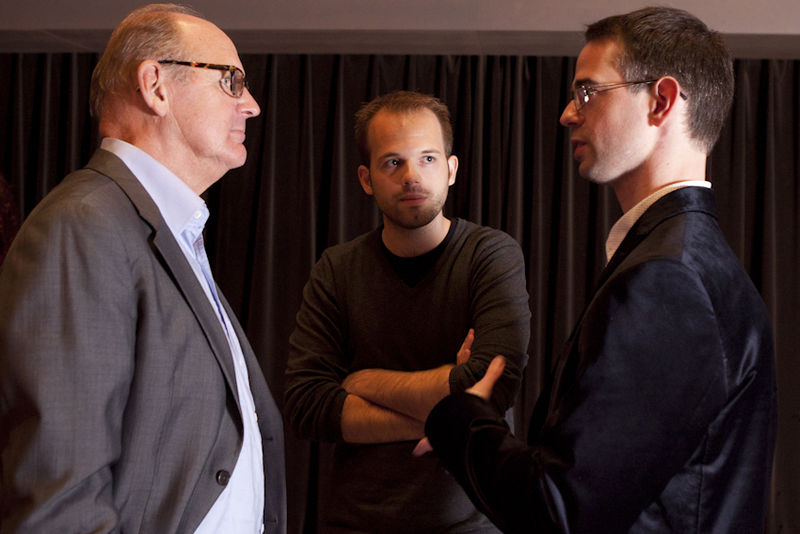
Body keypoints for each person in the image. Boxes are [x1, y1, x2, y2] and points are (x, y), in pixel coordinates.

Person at [420, 7, 777, 533]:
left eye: (588, 91)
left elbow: (560, 512)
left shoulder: (668, 279)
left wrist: (462, 418)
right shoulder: (693, 263)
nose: (568, 112)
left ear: (661, 101)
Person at [0, 4, 286, 533]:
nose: (251, 104)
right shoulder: (83, 225)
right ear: (155, 86)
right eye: (231, 80)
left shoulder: (168, 229)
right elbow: (59, 498)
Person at [285, 90, 531, 532]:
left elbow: (492, 386)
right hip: (355, 524)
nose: (412, 176)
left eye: (428, 159)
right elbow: (307, 405)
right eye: (392, 162)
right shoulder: (337, 269)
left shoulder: (490, 255)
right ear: (366, 179)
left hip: (472, 523)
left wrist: (362, 382)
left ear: (451, 170)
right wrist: (451, 412)